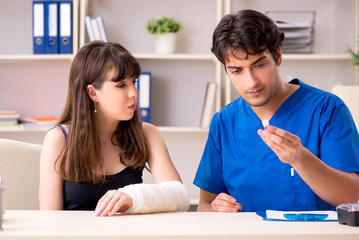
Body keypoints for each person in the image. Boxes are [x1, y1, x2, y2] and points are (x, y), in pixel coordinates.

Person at [193, 9, 359, 212]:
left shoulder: (326, 109)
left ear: (277, 56)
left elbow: (354, 196)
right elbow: (204, 204)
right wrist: (217, 209)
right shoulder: (224, 122)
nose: (251, 82)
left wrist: (301, 159)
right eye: (237, 71)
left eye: (259, 64)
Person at [39, 41, 189, 216]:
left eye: (134, 82)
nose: (134, 92)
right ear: (93, 93)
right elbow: (49, 221)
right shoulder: (59, 139)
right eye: (121, 85)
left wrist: (134, 197)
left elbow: (179, 197)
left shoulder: (146, 133)